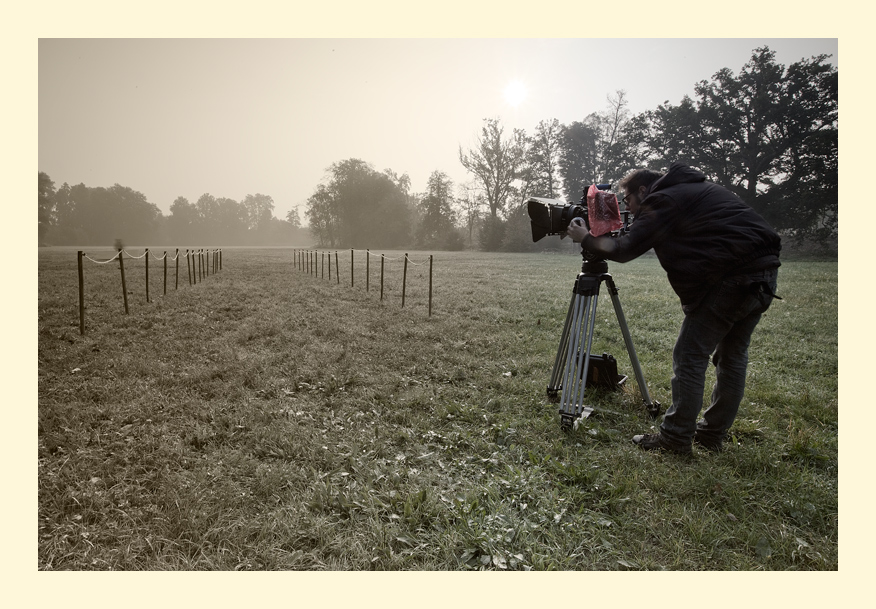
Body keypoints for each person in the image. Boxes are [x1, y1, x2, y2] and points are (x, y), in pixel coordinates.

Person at [565, 162, 781, 455]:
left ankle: (675, 439)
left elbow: (625, 249)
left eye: (627, 200)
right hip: (764, 275)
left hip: (731, 278)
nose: (628, 208)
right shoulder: (698, 189)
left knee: (690, 356)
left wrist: (586, 238)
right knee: (733, 357)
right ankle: (711, 435)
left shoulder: (662, 198)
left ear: (643, 190)